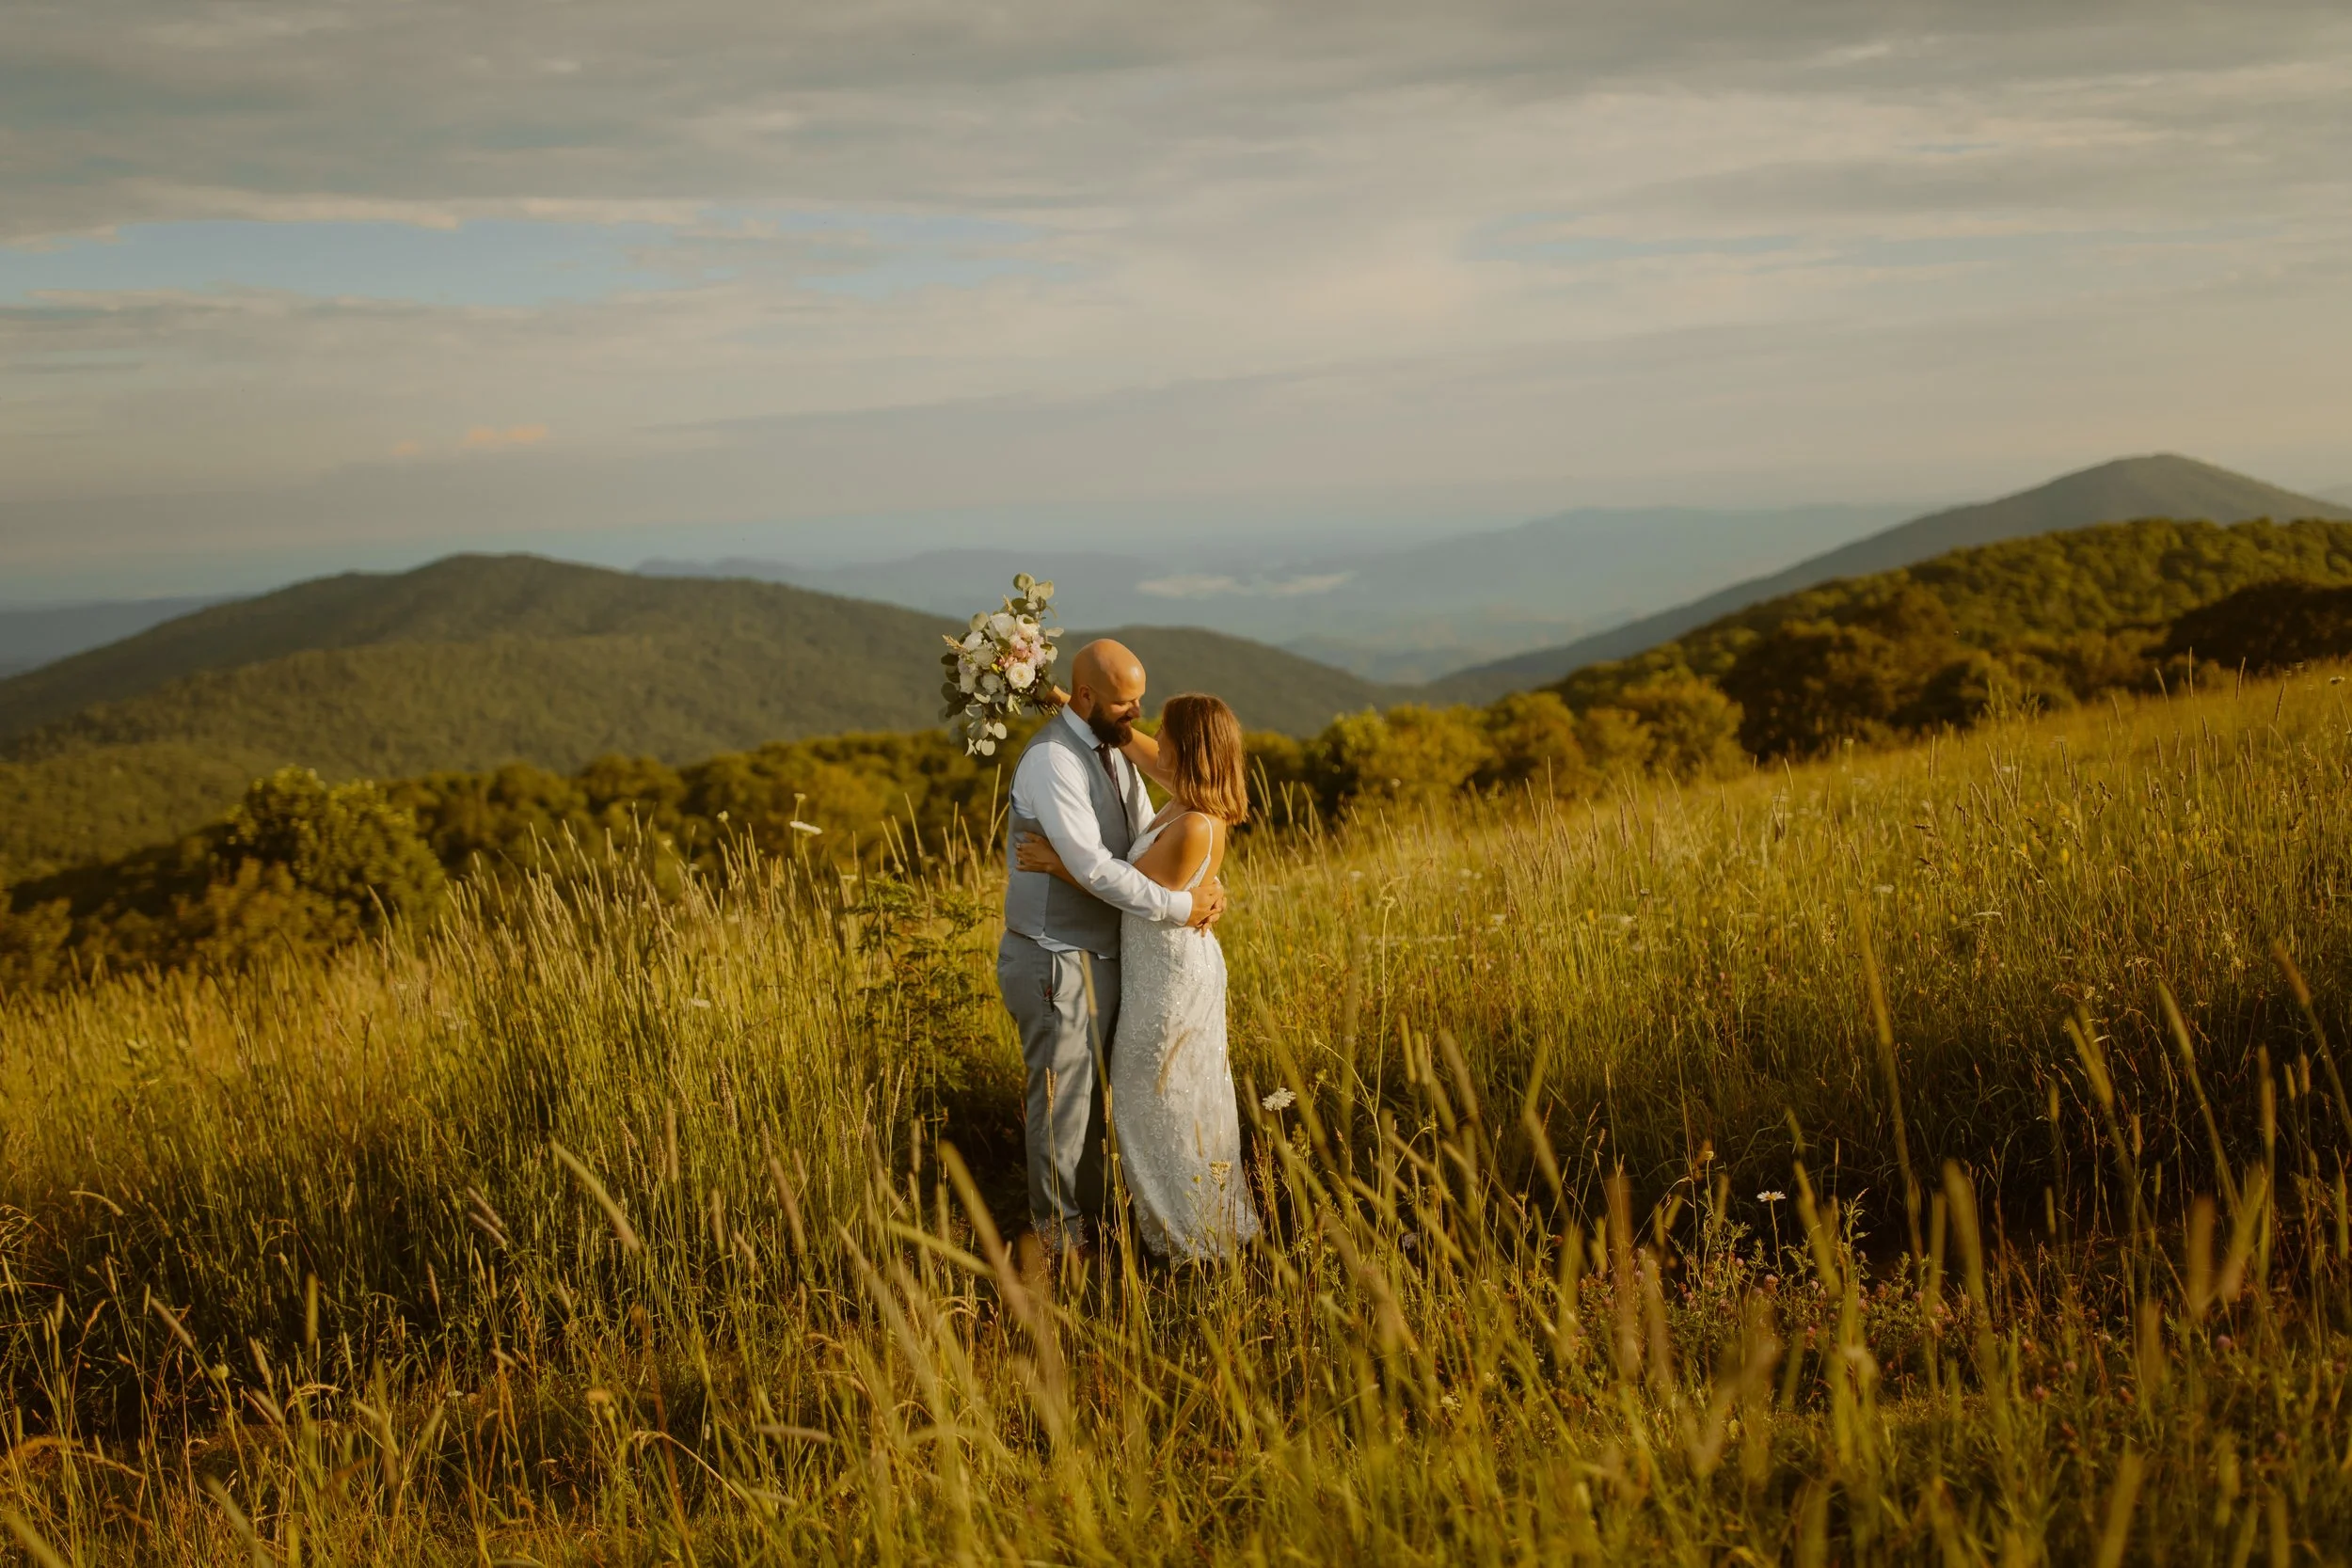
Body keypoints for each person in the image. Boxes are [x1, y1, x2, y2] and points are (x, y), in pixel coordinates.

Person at [997, 640, 1226, 1259]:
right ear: (1088, 697)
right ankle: (1061, 1242)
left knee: (1105, 1100)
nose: (1138, 713)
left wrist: (1199, 878)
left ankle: (1102, 1222)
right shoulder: (1053, 761)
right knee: (1064, 1103)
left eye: (1140, 699)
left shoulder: (1113, 746)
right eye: (1126, 701)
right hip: (1057, 954)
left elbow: (1140, 847)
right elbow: (1097, 870)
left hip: (1114, 955)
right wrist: (1181, 905)